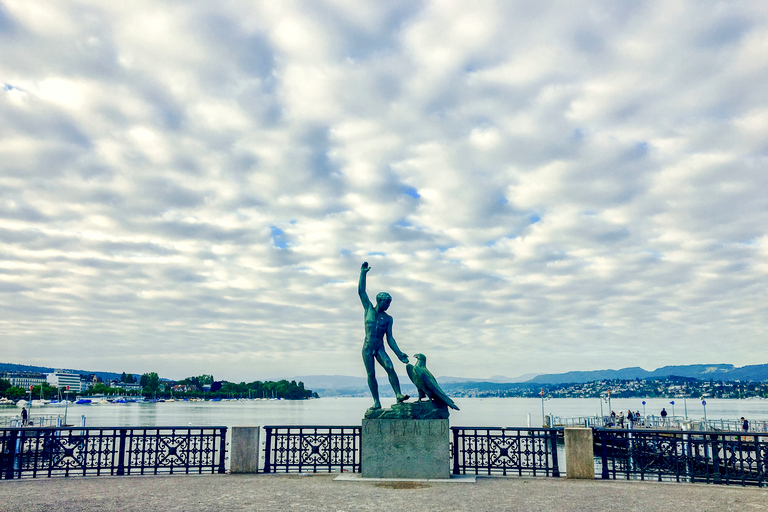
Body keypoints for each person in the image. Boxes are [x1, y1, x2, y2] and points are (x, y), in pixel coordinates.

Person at [359, 262, 409, 411]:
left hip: (380, 347)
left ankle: (398, 394)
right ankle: (376, 402)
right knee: (371, 374)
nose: (388, 305)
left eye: (389, 303)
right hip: (368, 347)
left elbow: (390, 339)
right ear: (379, 301)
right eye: (386, 302)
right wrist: (363, 273)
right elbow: (361, 291)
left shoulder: (388, 319)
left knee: (390, 367)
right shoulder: (368, 309)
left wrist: (399, 353)